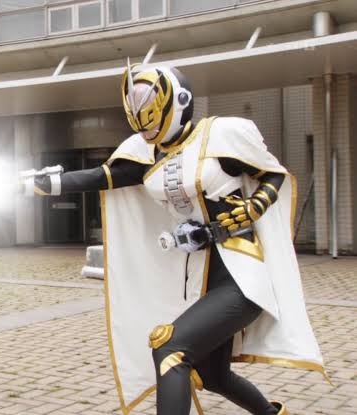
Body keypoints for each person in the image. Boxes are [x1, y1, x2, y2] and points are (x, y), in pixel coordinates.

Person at [21, 62, 325, 415]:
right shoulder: (147, 155)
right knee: (213, 375)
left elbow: (273, 174)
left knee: (169, 348)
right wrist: (35, 185)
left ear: (176, 104)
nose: (147, 131)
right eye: (141, 124)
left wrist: (257, 204)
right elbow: (100, 176)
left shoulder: (220, 136)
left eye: (151, 120)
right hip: (198, 277)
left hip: (242, 275)